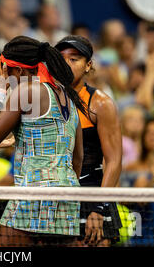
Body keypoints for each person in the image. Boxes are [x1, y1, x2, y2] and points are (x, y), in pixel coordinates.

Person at [0, 36, 85, 246]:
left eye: (6, 72)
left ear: (19, 71)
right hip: (68, 197)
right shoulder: (68, 97)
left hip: (33, 193)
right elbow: (78, 158)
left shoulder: (26, 91)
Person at [55, 35, 123, 247]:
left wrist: (99, 207)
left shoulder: (101, 103)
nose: (67, 64)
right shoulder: (45, 100)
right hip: (57, 195)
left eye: (74, 59)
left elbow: (114, 161)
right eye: (62, 58)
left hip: (92, 194)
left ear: (88, 65)